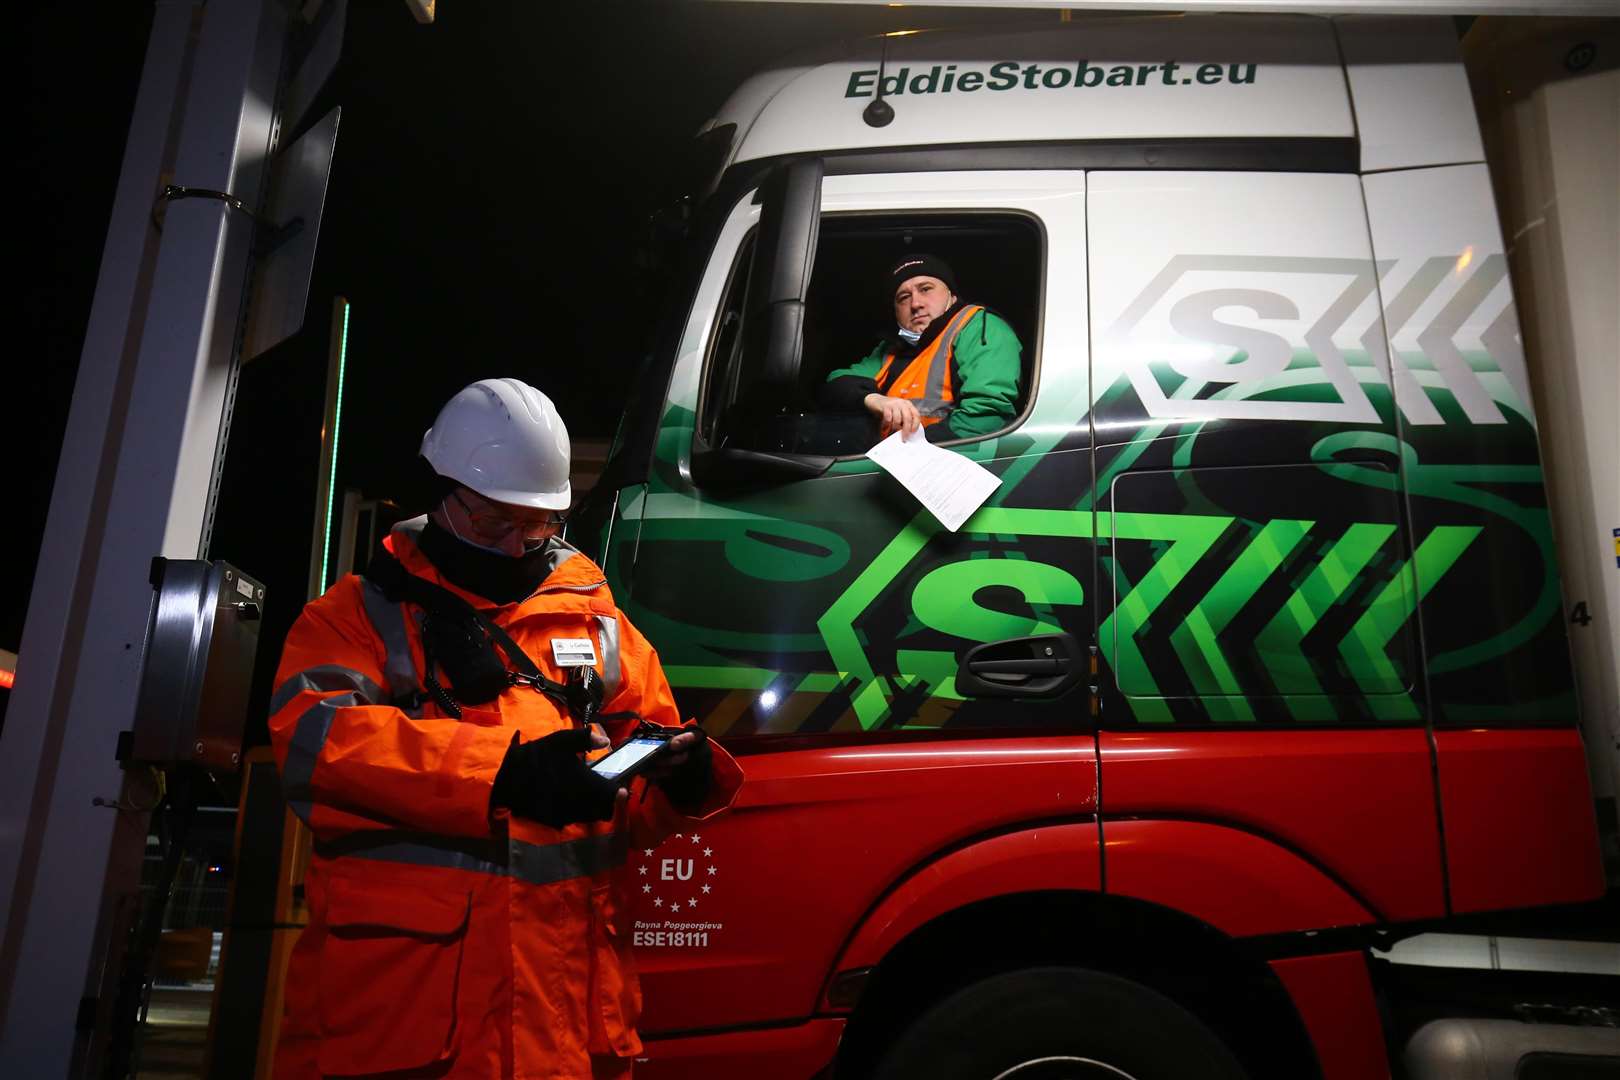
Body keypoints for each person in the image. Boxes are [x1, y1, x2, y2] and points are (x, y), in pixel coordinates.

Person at [267, 378, 741, 1079]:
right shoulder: (356, 615)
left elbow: (632, 793)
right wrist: (502, 772)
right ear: (442, 493)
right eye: (495, 523)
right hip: (409, 1028)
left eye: (538, 523)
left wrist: (682, 780)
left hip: (567, 1032)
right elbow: (316, 746)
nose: (518, 542)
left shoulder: (597, 622)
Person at [820, 253, 1022, 443]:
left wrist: (909, 451)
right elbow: (837, 384)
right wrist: (873, 399)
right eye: (903, 297)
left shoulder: (979, 327)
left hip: (951, 464)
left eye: (926, 289)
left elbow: (986, 418)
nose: (915, 303)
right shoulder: (893, 348)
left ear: (951, 296)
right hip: (892, 466)